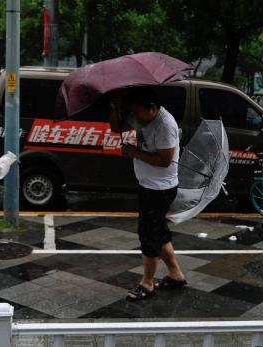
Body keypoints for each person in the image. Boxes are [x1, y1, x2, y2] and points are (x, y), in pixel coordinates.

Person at [109, 87, 187, 302]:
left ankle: (147, 284)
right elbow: (117, 128)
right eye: (134, 112)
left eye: (140, 113)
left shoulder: (165, 125)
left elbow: (165, 161)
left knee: (148, 235)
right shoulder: (141, 115)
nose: (137, 118)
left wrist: (134, 152)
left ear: (153, 108)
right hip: (148, 185)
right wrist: (115, 107)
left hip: (160, 189)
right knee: (158, 232)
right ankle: (176, 275)